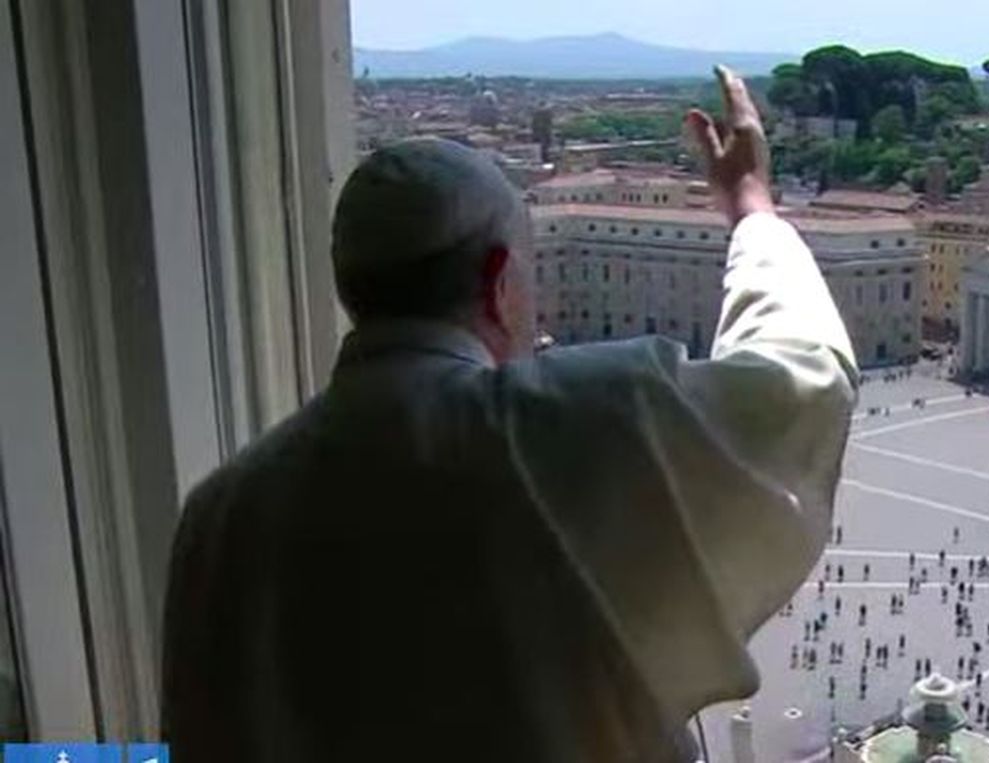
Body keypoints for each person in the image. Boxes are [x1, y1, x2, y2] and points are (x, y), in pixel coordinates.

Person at [160, 66, 858, 763]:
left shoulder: (216, 515)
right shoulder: (577, 431)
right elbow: (802, 381)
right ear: (499, 282)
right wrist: (751, 206)